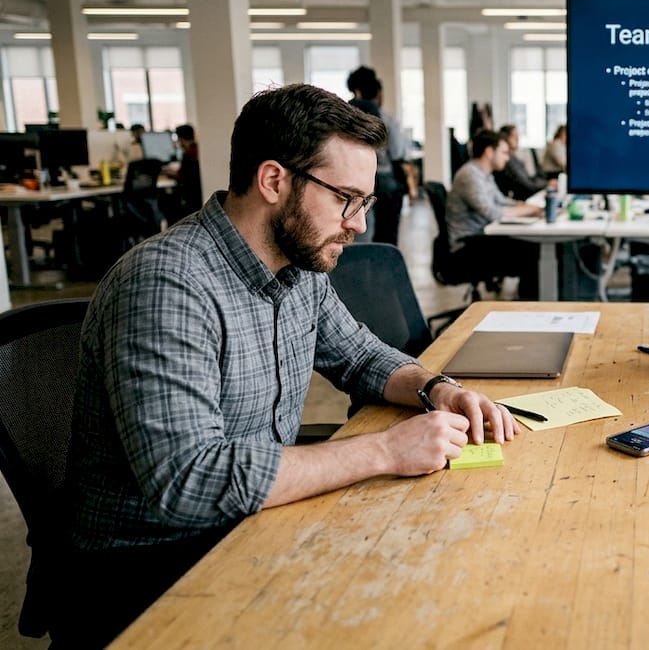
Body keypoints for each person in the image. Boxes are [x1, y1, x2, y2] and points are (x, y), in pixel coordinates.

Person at [57, 84, 518, 648]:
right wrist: (383, 450)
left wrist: (436, 389)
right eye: (346, 198)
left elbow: (362, 356)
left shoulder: (299, 269)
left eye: (365, 202)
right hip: (152, 566)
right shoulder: (167, 284)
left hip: (254, 525)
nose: (359, 224)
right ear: (274, 180)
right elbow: (190, 480)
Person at [445, 129, 542, 299]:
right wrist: (529, 210)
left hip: (479, 239)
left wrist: (526, 206)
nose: (507, 157)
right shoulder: (470, 175)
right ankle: (530, 307)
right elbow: (492, 213)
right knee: (532, 251)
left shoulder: (484, 175)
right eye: (504, 152)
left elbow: (501, 201)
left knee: (531, 246)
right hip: (467, 246)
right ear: (489, 152)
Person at [347, 65, 415, 245]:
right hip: (386, 184)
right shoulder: (387, 120)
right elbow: (398, 153)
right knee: (387, 237)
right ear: (378, 93)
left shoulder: (345, 116)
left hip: (354, 181)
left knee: (361, 234)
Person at [493, 124, 547, 201]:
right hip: (521, 199)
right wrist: (547, 184)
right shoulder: (509, 160)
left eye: (518, 136)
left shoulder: (513, 157)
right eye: (514, 136)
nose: (518, 139)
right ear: (505, 138)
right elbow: (527, 186)